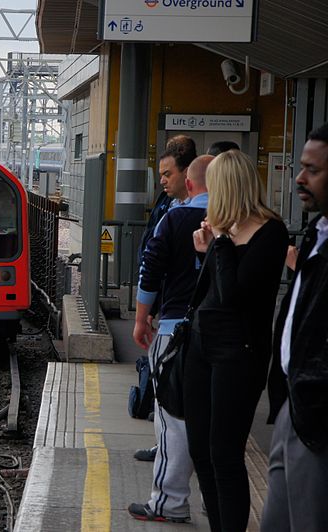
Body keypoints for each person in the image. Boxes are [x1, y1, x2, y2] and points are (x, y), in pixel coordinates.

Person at [183, 150, 287, 531]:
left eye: (214, 187)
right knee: (201, 452)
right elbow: (209, 291)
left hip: (237, 355)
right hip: (200, 348)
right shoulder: (222, 230)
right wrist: (205, 251)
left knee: (224, 454)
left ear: (228, 188)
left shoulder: (270, 232)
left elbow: (234, 295)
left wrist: (220, 243)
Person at [127, 152, 211, 523]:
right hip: (223, 337)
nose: (163, 180)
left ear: (190, 183)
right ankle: (216, 497)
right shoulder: (243, 222)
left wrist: (141, 319)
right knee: (212, 417)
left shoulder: (175, 217)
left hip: (175, 329)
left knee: (172, 416)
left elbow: (150, 269)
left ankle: (169, 502)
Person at [261, 123, 328, 531]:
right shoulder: (316, 235)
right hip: (294, 402)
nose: (300, 179)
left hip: (317, 415)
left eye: (313, 170)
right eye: (300, 167)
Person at [133, 135, 197, 463]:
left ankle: (170, 486)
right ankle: (168, 449)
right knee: (173, 398)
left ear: (187, 175)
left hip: (181, 319)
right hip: (171, 310)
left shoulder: (185, 215)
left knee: (173, 398)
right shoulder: (167, 204)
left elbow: (153, 262)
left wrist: (141, 315)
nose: (162, 180)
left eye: (167, 174)